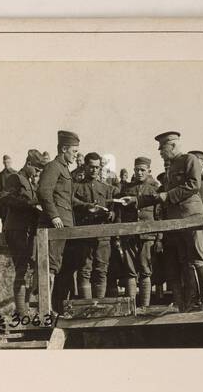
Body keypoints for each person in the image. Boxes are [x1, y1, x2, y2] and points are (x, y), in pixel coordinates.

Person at [120, 130, 203, 313]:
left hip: (191, 216)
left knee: (197, 259)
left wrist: (167, 195)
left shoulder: (189, 160)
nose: (160, 151)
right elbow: (159, 197)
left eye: (162, 148)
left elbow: (194, 185)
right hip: (175, 221)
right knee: (184, 261)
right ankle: (191, 302)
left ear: (173, 145)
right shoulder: (171, 168)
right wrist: (136, 201)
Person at [36, 130, 85, 320]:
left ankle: (56, 307)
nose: (76, 155)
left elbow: (68, 198)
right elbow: (43, 192)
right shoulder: (53, 166)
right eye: (73, 151)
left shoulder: (64, 169)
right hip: (55, 225)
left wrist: (88, 206)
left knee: (61, 267)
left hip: (65, 225)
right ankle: (46, 310)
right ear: (64, 149)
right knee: (51, 266)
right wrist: (54, 216)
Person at [0, 150, 44, 323]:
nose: (38, 172)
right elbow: (5, 199)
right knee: (21, 271)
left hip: (27, 231)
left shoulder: (29, 182)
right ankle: (21, 314)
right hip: (17, 230)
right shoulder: (15, 178)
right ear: (29, 164)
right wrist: (30, 204)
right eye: (37, 169)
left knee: (28, 270)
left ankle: (23, 311)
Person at [113, 156, 161, 308]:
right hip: (130, 236)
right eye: (137, 170)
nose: (139, 173)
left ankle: (145, 307)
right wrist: (118, 236)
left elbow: (159, 216)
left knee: (146, 269)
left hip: (148, 236)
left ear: (149, 171)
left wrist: (159, 238)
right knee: (130, 270)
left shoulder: (155, 190)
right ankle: (131, 308)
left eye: (143, 170)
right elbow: (119, 216)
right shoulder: (127, 190)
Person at [71, 152, 116, 299]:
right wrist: (86, 206)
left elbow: (113, 207)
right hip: (84, 234)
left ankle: (99, 305)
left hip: (103, 235)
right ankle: (86, 306)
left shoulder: (106, 188)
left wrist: (111, 214)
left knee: (102, 269)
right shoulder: (76, 187)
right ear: (84, 166)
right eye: (91, 167)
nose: (94, 170)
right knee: (84, 269)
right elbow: (70, 202)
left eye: (97, 167)